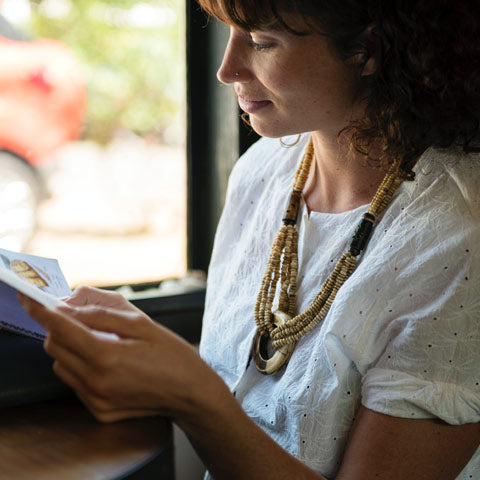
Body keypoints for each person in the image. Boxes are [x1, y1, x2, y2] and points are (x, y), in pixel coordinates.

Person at [19, 0, 480, 478]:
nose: (226, 69)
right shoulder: (263, 172)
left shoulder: (459, 240)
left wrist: (193, 395)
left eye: (261, 41)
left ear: (367, 51)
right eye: (228, 33)